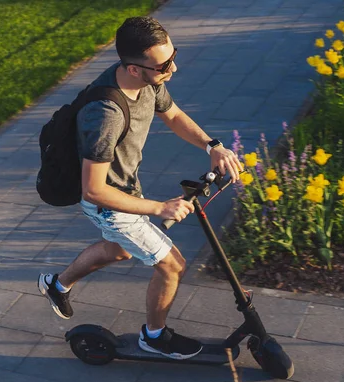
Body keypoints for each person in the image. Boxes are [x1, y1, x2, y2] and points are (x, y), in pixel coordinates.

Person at [38, 16, 242, 360]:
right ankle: (155, 337)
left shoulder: (150, 80)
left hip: (127, 188)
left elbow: (174, 115)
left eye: (173, 55)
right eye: (164, 64)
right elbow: (94, 190)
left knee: (119, 250)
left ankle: (56, 286)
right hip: (109, 201)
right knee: (173, 265)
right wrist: (160, 208)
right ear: (133, 69)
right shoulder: (105, 115)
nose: (173, 68)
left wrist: (213, 146)